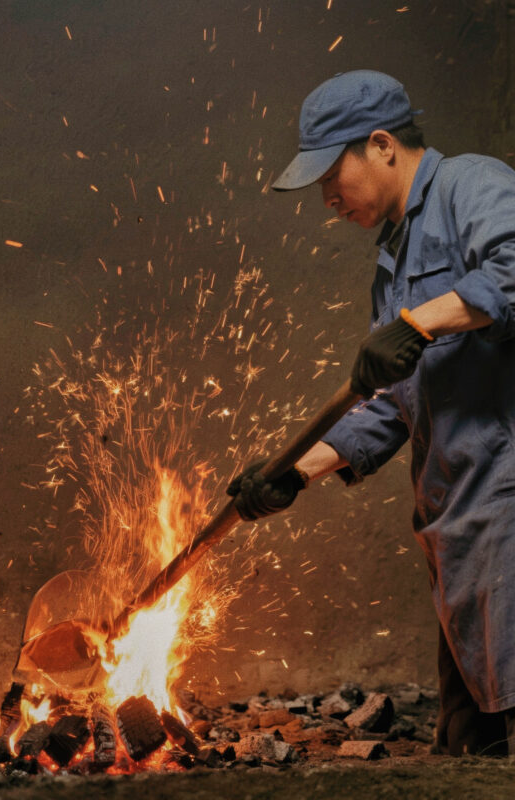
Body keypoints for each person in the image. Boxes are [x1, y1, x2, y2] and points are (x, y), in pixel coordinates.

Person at [226, 70, 515, 757]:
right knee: (466, 747)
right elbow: (388, 407)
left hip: (505, 507)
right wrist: (295, 471)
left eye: (333, 174)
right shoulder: (393, 262)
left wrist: (420, 324)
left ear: (382, 145)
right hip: (455, 528)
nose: (327, 198)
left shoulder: (472, 184)